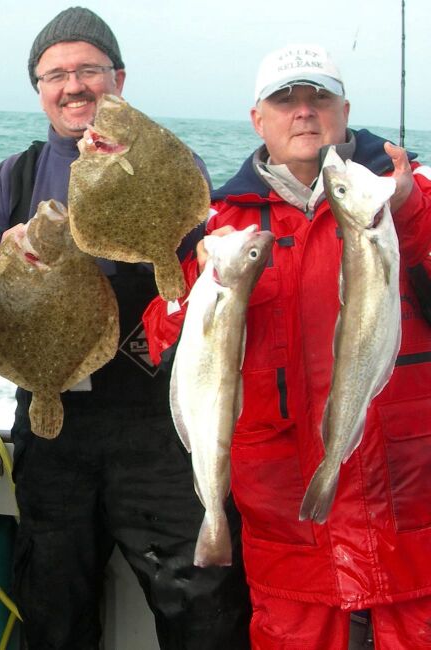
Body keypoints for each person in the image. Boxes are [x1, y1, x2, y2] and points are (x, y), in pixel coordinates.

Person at [0, 7, 252, 649]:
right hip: (53, 423)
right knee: (54, 607)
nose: (74, 86)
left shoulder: (169, 162)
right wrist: (11, 264)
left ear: (118, 79)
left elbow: (213, 260)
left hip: (156, 420)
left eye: (89, 69)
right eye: (56, 74)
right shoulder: (7, 183)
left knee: (201, 607)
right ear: (38, 88)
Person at [144, 44, 431, 650]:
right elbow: (165, 346)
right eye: (285, 100)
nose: (303, 112)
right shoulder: (222, 224)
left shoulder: (407, 195)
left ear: (345, 109)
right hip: (288, 536)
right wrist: (192, 292)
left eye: (318, 98)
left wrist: (409, 217)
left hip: (415, 524)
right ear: (259, 120)